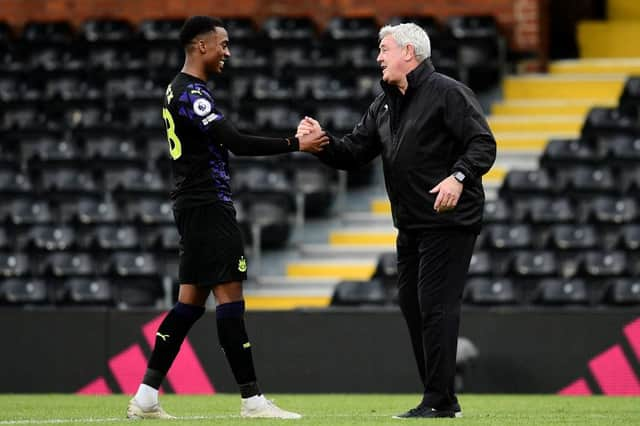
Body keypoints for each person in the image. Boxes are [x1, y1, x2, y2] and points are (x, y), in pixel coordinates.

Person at [126, 16, 328, 420]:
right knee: (230, 297)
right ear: (202, 46)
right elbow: (234, 140)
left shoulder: (175, 88)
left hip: (191, 203)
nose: (228, 52)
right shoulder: (191, 93)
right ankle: (251, 400)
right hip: (206, 204)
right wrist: (295, 144)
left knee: (189, 304)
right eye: (223, 44)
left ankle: (146, 396)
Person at [297, 23, 496, 418]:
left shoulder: (449, 92)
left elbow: (483, 144)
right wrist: (322, 144)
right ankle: (442, 398)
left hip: (450, 219)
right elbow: (354, 151)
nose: (378, 57)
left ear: (409, 52)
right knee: (413, 305)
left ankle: (439, 402)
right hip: (410, 224)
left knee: (434, 304)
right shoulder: (384, 104)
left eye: (384, 49)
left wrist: (459, 177)